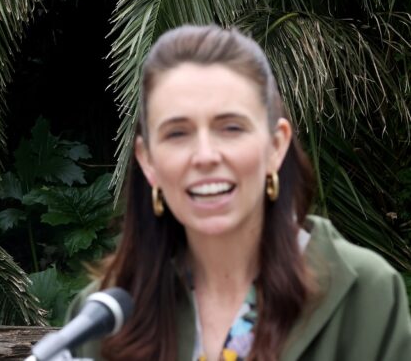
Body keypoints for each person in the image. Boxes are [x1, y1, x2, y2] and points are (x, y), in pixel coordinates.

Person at [67, 25, 411, 360]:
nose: (205, 156)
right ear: (148, 160)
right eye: (177, 133)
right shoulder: (101, 317)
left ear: (276, 146)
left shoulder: (365, 294)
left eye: (230, 128)